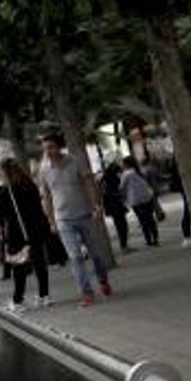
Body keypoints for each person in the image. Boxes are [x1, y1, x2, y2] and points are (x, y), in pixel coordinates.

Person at [38, 131, 112, 307]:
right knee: (75, 257)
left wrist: (96, 206)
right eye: (45, 149)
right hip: (63, 219)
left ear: (59, 147)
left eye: (51, 147)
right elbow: (46, 196)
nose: (47, 151)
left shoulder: (75, 162)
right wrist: (51, 221)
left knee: (96, 255)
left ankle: (103, 280)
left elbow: (89, 183)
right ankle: (86, 293)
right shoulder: (44, 170)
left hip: (85, 214)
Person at [0, 158, 52, 312]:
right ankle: (44, 296)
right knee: (39, 263)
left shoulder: (5, 192)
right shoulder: (29, 185)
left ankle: (18, 301)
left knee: (18, 268)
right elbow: (38, 206)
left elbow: (1, 214)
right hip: (36, 229)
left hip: (18, 233)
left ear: (4, 172)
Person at [120, 156, 159, 247]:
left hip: (135, 200)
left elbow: (121, 187)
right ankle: (155, 237)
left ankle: (148, 240)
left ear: (126, 164)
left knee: (142, 220)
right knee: (150, 218)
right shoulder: (142, 170)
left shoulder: (126, 174)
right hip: (147, 197)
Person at [99, 162, 130, 251]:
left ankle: (124, 245)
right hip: (115, 204)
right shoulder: (112, 179)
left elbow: (103, 192)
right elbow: (113, 192)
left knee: (120, 225)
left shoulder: (104, 179)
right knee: (122, 225)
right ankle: (124, 245)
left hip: (110, 205)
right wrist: (120, 195)